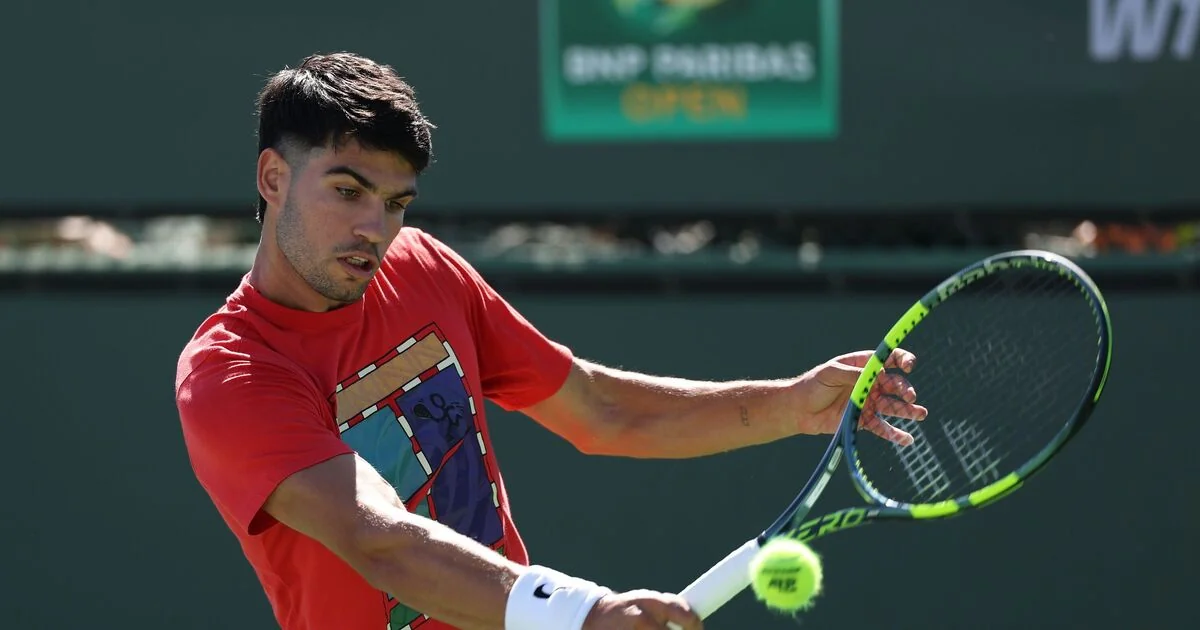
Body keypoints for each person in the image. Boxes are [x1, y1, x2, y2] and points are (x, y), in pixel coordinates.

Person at [174, 51, 925, 630]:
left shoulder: (423, 267)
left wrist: (792, 404)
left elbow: (599, 410)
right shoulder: (230, 376)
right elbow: (380, 539)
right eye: (347, 191)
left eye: (396, 202)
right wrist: (582, 613)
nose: (375, 227)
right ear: (273, 178)